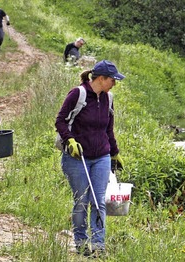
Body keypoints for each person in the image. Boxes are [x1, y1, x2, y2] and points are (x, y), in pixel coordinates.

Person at [55, 60, 126, 257]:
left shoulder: (108, 98)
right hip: (77, 158)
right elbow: (60, 120)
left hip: (101, 156)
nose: (114, 83)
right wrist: (70, 141)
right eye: (113, 80)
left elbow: (108, 129)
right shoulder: (78, 94)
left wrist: (114, 152)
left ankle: (98, 246)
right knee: (81, 202)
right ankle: (80, 242)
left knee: (99, 201)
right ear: (101, 79)